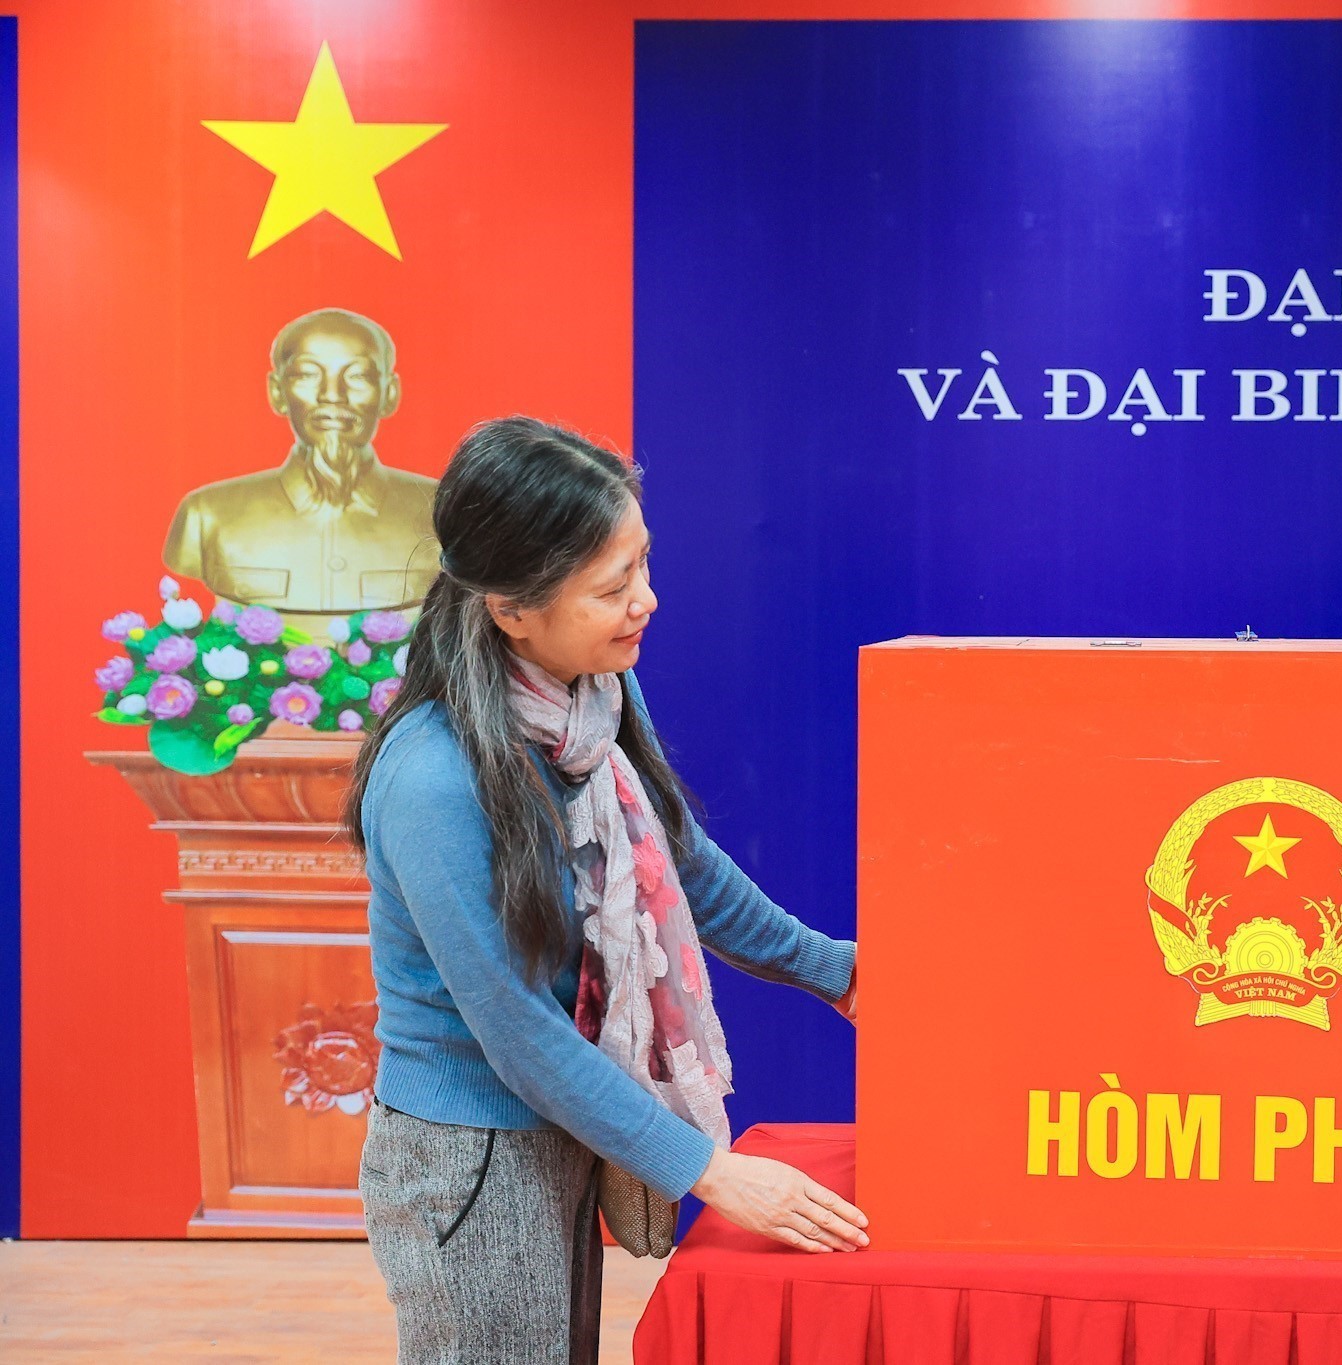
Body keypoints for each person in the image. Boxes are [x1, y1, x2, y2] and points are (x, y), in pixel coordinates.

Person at [343, 416, 866, 1363]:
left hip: (558, 1123)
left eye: (642, 564)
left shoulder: (592, 693)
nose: (645, 600)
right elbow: (518, 1032)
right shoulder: (432, 777)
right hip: (472, 1152)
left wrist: (837, 971)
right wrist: (712, 1171)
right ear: (512, 608)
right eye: (612, 586)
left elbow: (679, 860)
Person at [164, 307, 440, 625]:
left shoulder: (441, 512)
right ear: (277, 392)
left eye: (358, 376)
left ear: (389, 393)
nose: (332, 395)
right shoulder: (206, 516)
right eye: (307, 375)